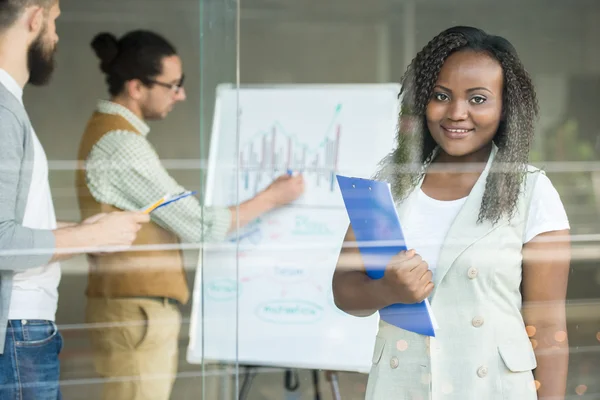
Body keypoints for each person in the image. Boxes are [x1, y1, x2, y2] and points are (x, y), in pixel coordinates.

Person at [332, 26, 570, 400]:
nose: (456, 113)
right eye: (441, 96)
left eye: (478, 99)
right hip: (402, 386)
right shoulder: (392, 185)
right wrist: (387, 289)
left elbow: (547, 323)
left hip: (493, 388)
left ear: (505, 107)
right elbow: (344, 290)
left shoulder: (530, 189)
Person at [76, 30, 305, 400]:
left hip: (131, 309)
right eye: (173, 85)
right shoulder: (122, 144)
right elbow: (201, 226)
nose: (180, 95)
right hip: (136, 311)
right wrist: (272, 197)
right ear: (136, 87)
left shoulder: (112, 134)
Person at [0, 1, 149, 398]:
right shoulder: (2, 111)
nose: (57, 36)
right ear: (35, 17)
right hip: (17, 334)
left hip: (21, 333)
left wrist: (90, 231)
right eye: (55, 22)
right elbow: (1, 242)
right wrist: (88, 239)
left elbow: (14, 228)